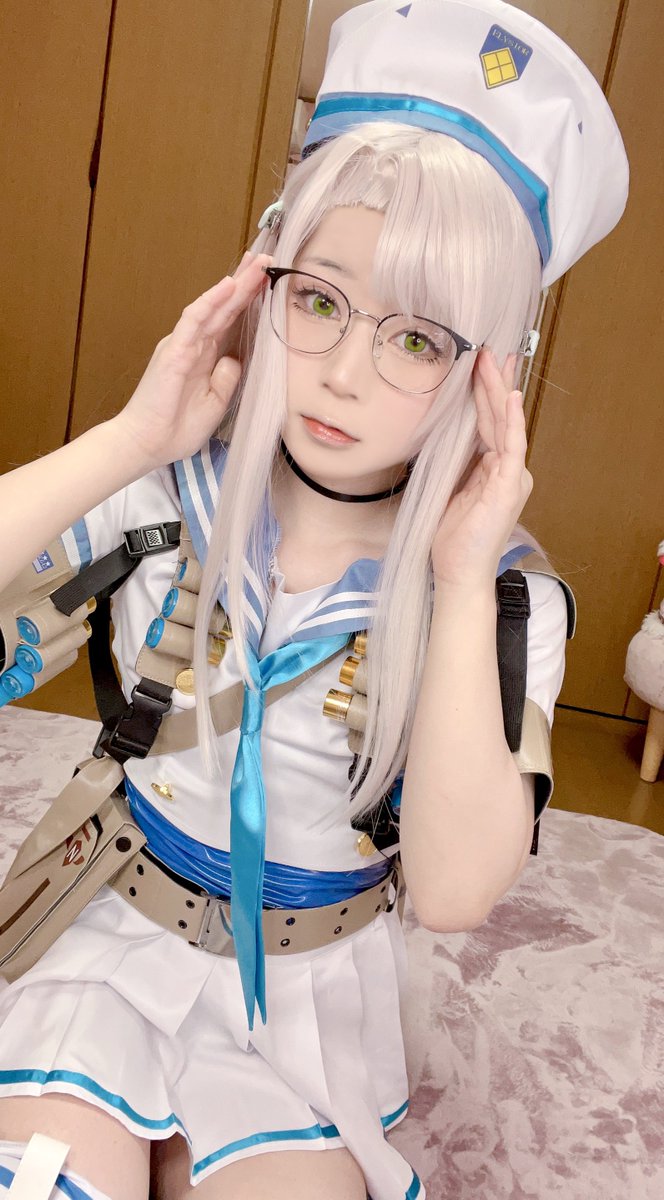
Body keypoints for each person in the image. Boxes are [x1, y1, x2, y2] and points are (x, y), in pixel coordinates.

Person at [0, 1, 628, 1198]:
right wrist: (125, 439)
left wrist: (457, 581)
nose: (342, 373)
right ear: (266, 280)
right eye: (321, 300)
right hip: (106, 926)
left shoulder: (500, 597)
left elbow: (452, 891)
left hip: (307, 991)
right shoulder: (168, 494)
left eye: (419, 339)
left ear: (490, 369)